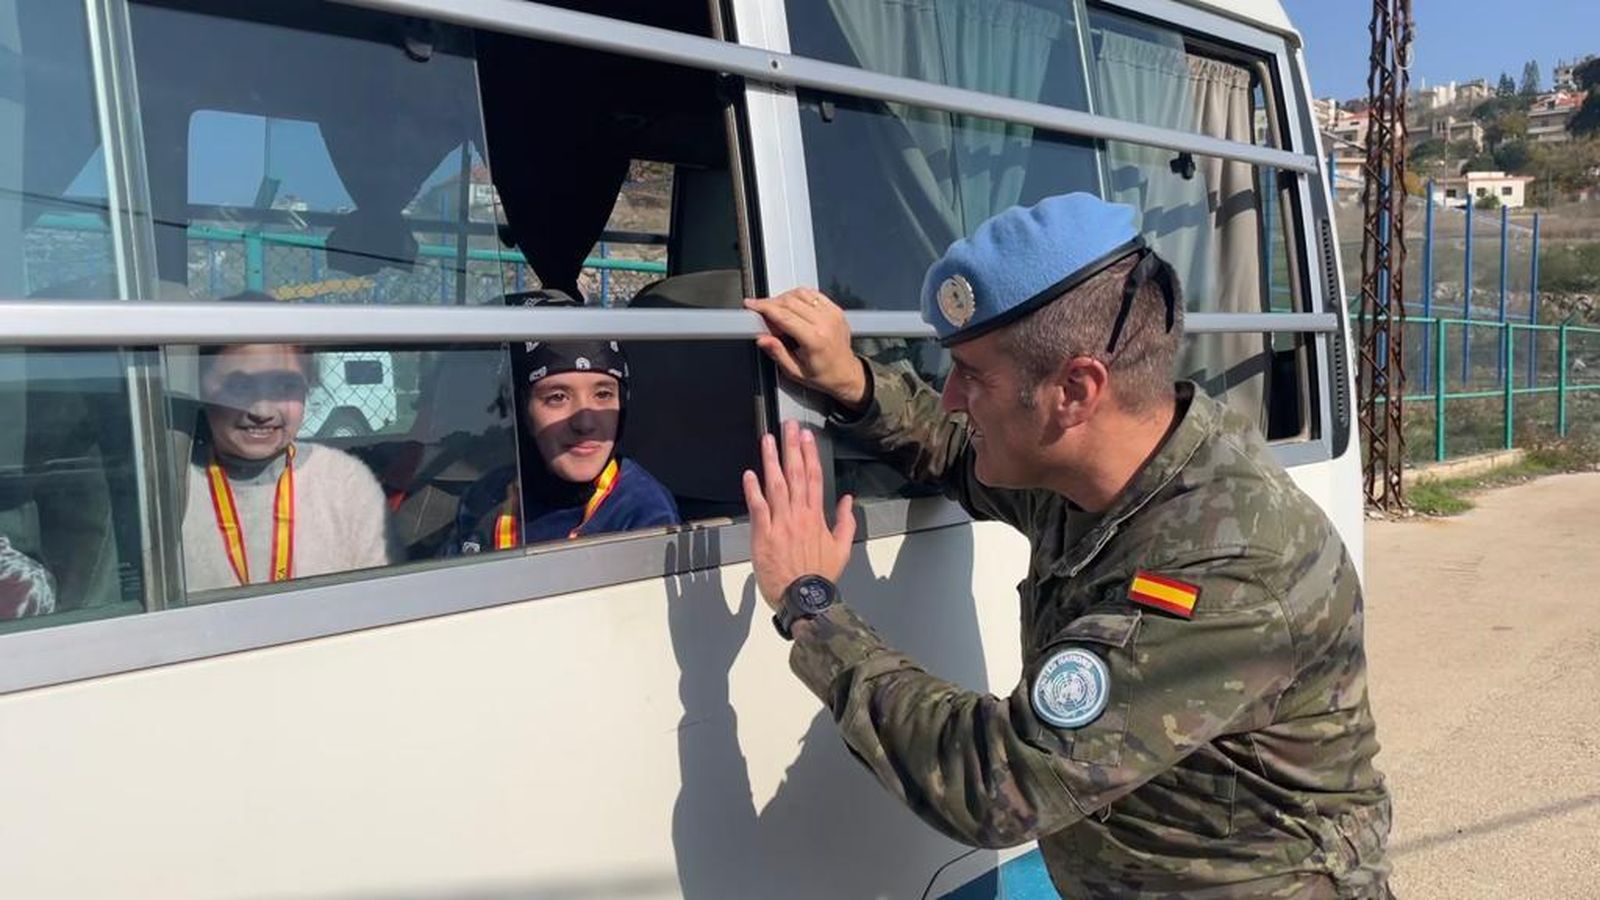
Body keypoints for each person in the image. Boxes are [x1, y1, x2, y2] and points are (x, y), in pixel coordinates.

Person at [741, 192, 1392, 898]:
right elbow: (964, 453)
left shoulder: (1230, 570)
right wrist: (857, 385)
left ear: (1076, 391)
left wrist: (811, 608)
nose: (952, 396)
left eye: (973, 375)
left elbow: (995, 781)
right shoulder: (1103, 467)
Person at [453, 303, 680, 552]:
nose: (585, 423)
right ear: (521, 411)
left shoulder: (642, 512)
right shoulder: (486, 497)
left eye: (603, 394)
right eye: (557, 397)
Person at [182, 342, 390, 593]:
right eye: (239, 386)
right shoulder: (172, 483)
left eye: (285, 387)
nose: (262, 411)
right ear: (201, 391)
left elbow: (383, 598)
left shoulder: (345, 482)